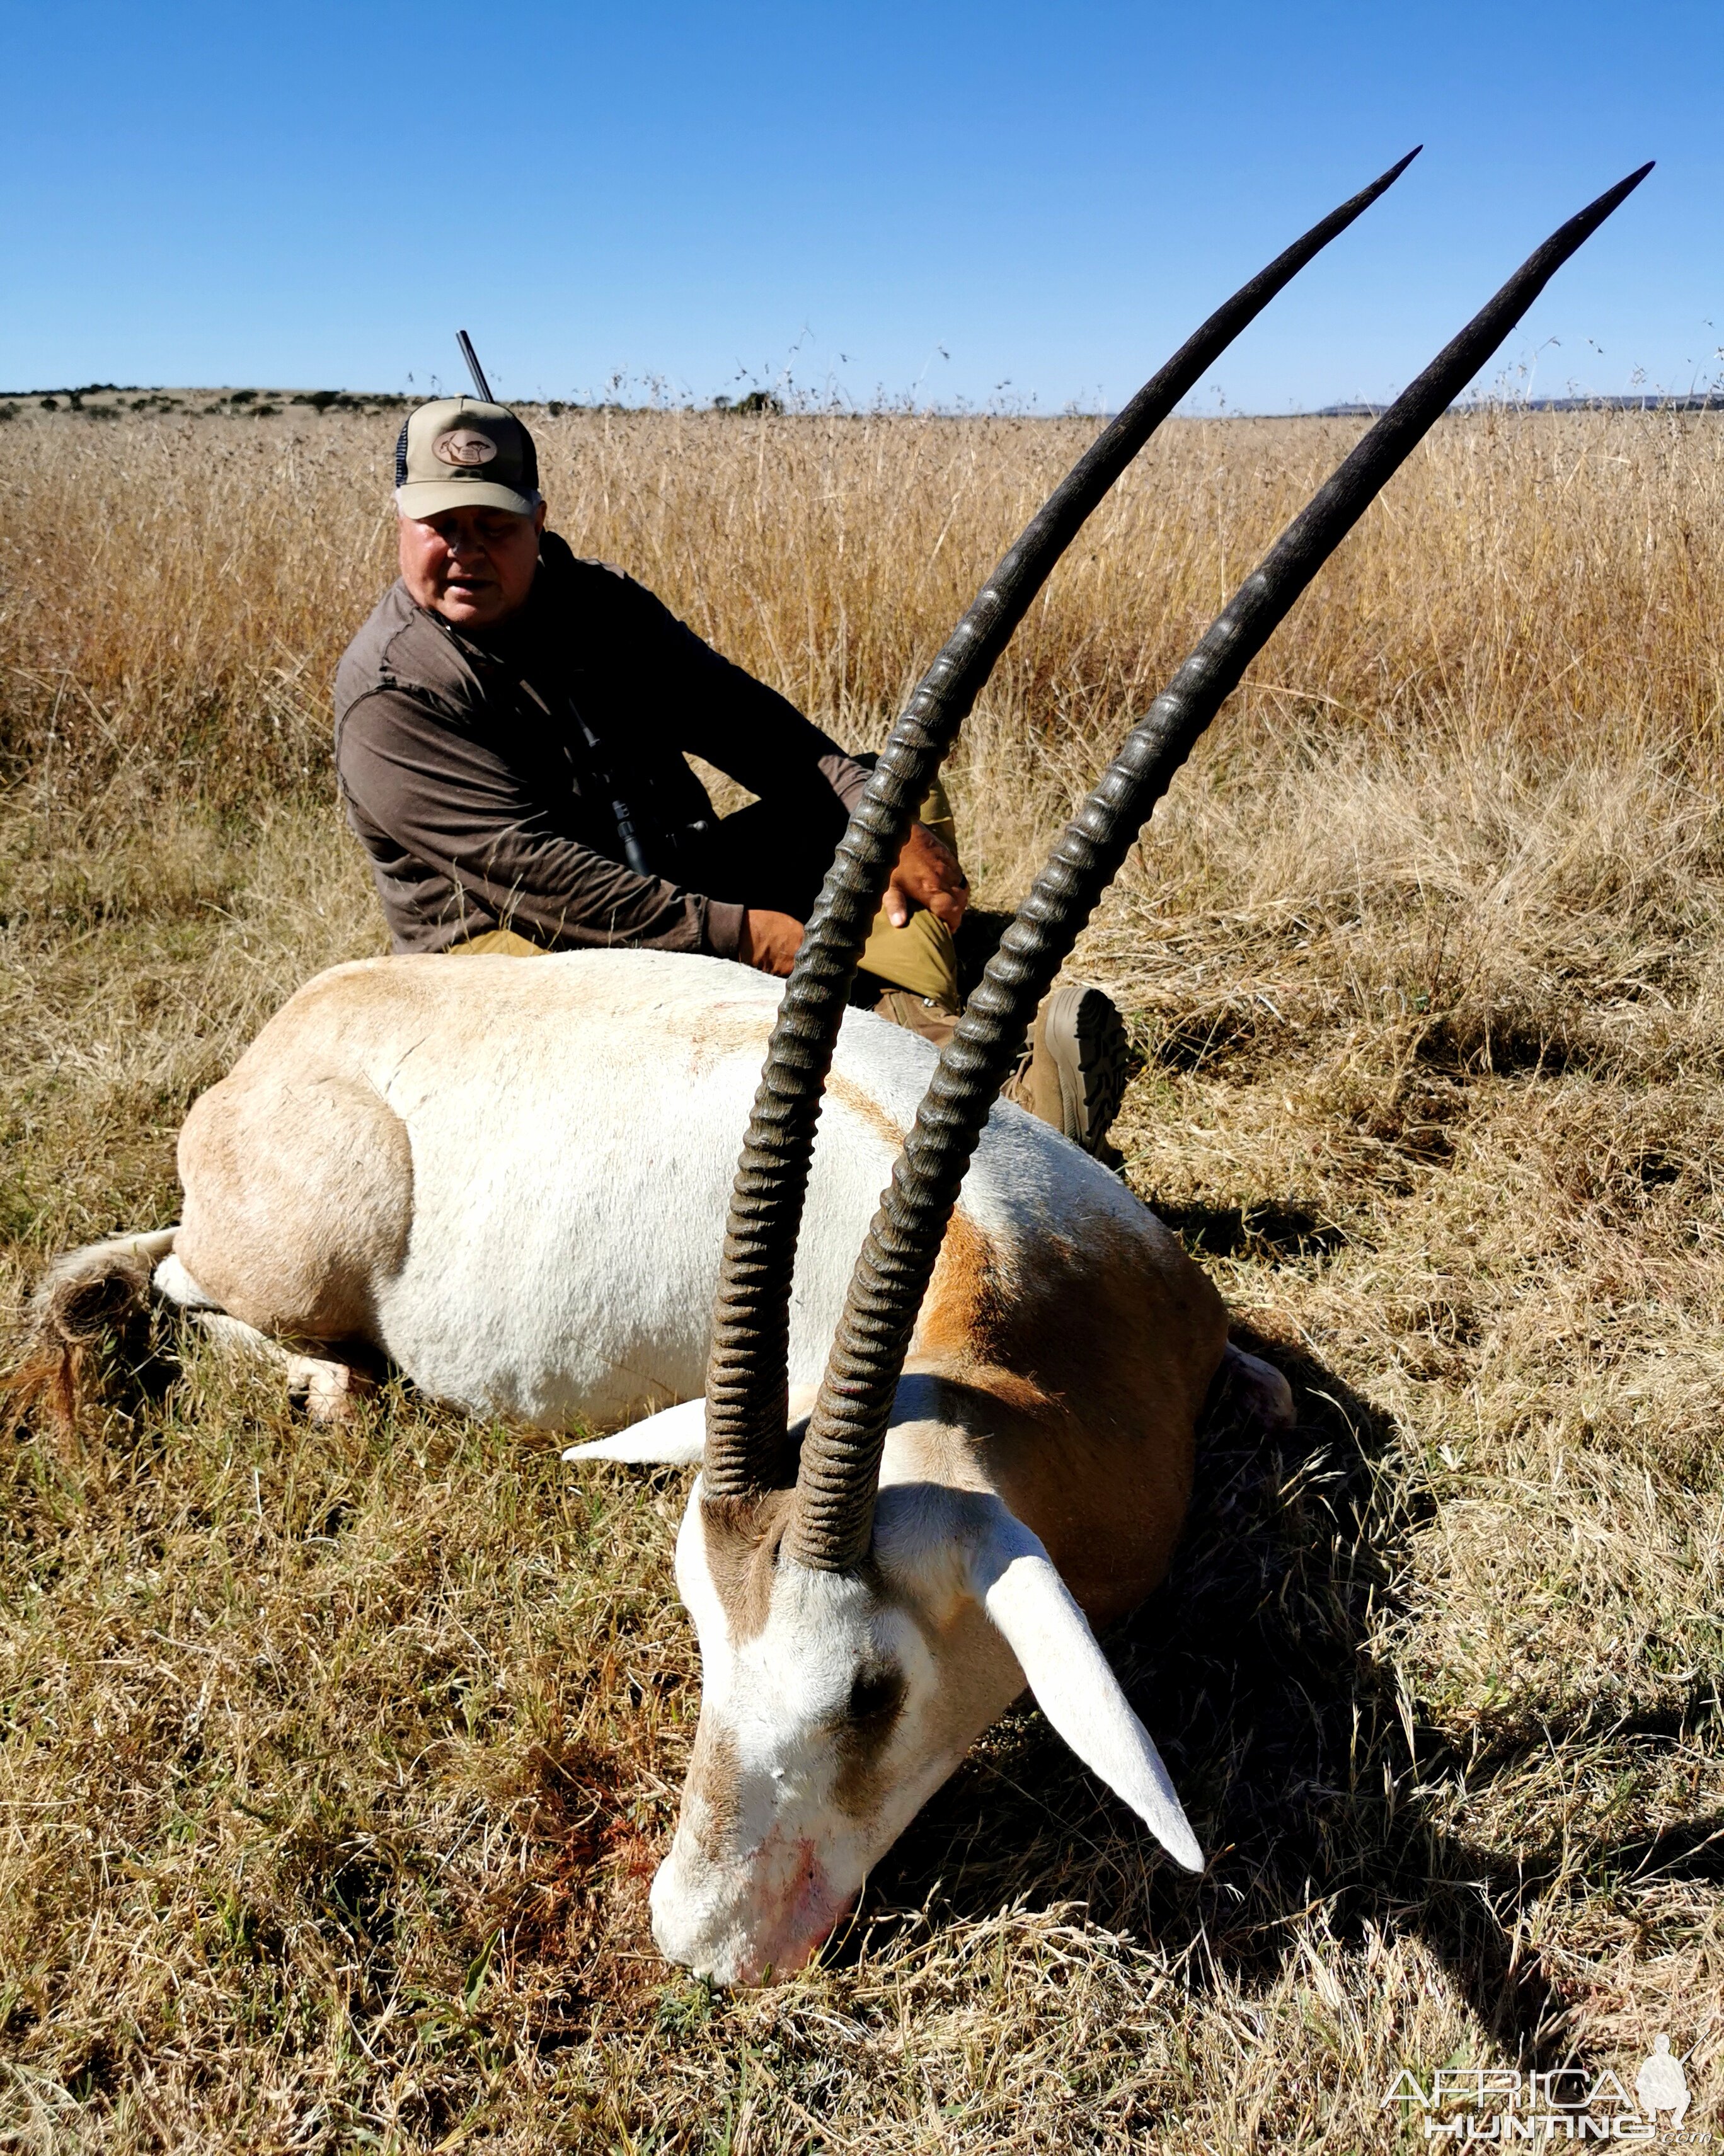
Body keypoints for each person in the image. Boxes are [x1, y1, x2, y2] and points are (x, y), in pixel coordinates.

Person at [333, 396, 1128, 1153]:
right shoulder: (393, 691)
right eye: (441, 525)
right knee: (726, 1006)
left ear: (538, 523)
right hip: (522, 955)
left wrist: (874, 821)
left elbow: (746, 724)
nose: (465, 550)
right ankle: (985, 1107)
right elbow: (539, 878)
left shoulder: (597, 603)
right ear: (401, 523)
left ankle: (928, 1039)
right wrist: (743, 936)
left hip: (675, 871)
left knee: (887, 794)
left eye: (493, 525)